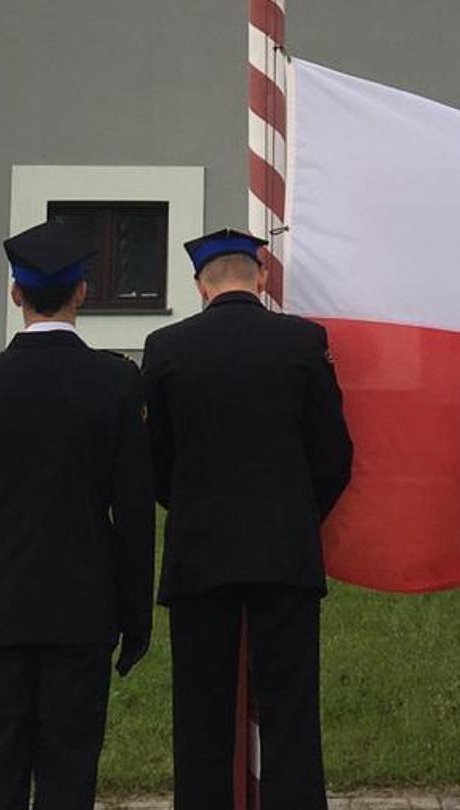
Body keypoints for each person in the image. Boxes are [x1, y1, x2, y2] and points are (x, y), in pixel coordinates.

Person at [0, 220, 154, 810]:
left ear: (16, 295)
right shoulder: (115, 382)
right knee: (70, 774)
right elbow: (133, 514)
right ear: (83, 292)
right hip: (83, 614)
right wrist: (137, 622)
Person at [142, 227, 353, 809]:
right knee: (290, 712)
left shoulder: (165, 347)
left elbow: (155, 458)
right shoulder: (303, 342)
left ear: (198, 286)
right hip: (284, 550)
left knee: (201, 709)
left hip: (199, 550)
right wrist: (300, 512)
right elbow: (334, 455)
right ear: (261, 277)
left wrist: (185, 504)